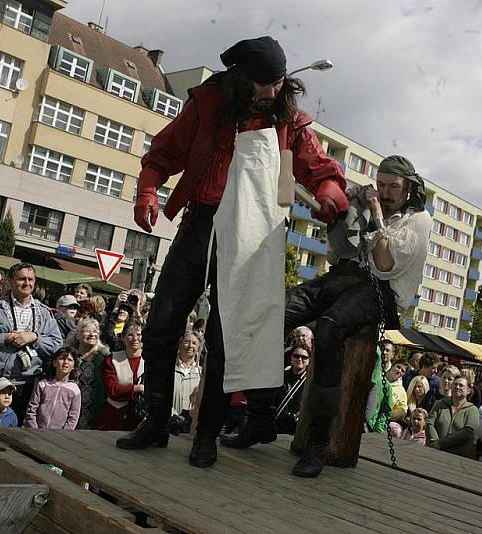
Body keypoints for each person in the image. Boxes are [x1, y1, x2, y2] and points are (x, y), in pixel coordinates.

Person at [116, 36, 349, 473]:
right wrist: (148, 188)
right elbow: (164, 152)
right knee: (163, 324)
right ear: (240, 77)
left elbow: (319, 166)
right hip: (199, 224)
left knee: (225, 341)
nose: (271, 91)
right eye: (263, 83)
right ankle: (155, 423)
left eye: (278, 82)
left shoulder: (290, 121)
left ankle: (205, 437)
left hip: (249, 238)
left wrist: (329, 189)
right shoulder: (206, 104)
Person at [285, 155, 432, 478]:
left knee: (329, 328)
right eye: (380, 185)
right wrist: (343, 210)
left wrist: (376, 212)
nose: (385, 192)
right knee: (277, 311)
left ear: (408, 188)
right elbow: (339, 253)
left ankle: (319, 441)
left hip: (382, 292)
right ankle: (259, 413)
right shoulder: (368, 204)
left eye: (393, 187)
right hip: (346, 278)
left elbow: (383, 264)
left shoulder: (419, 220)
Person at [0, 263, 62, 421]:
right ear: (11, 281)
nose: (27, 283)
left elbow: (56, 345)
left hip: (26, 386)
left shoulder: (45, 313)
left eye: (30, 279)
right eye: (21, 279)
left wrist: (34, 337)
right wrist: (4, 338)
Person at [95, 319, 145, 431]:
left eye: (139, 335)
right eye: (130, 335)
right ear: (122, 338)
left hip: (143, 419)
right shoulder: (111, 360)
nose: (135, 339)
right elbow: (112, 390)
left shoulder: (152, 362)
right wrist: (137, 388)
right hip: (114, 418)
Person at [23, 347, 81, 430]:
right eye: (62, 359)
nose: (65, 362)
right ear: (54, 363)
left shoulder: (75, 390)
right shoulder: (43, 384)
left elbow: (73, 416)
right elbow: (32, 408)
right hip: (37, 431)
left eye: (70, 360)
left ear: (74, 366)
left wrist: (64, 434)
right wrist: (34, 429)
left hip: (59, 436)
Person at [69, 318, 111, 429]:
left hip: (96, 410)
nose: (92, 334)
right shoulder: (69, 357)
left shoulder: (105, 358)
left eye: (95, 331)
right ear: (77, 335)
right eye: (87, 331)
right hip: (70, 409)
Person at [426, 376, 479, 458]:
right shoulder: (440, 404)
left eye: (461, 385)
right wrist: (435, 442)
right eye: (455, 384)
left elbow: (468, 431)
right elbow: (429, 423)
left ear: (468, 390)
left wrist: (441, 443)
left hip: (458, 457)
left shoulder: (472, 410)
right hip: (434, 452)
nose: (457, 387)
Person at [273, 342, 310, 435]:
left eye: (304, 357)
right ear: (291, 358)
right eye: (296, 356)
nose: (299, 359)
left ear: (309, 360)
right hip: (275, 424)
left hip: (294, 429)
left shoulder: (310, 381)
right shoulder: (281, 376)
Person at [170, 332, 202, 435]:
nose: (190, 346)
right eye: (187, 342)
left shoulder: (201, 373)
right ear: (180, 344)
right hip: (168, 422)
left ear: (198, 348)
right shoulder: (168, 369)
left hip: (190, 427)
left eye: (194, 343)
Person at [365, 361, 407, 434]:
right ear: (392, 366)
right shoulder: (377, 376)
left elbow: (402, 410)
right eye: (398, 367)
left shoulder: (401, 391)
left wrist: (389, 414)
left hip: (379, 420)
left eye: (402, 371)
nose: (399, 371)